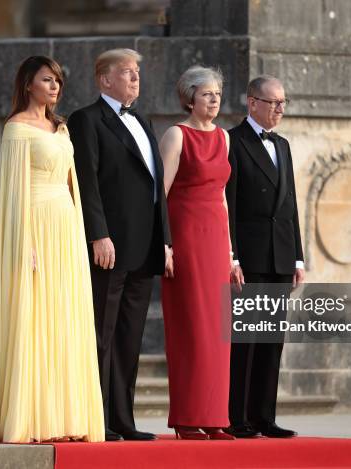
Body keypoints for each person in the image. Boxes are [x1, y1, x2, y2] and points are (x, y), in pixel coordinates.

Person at [0, 56, 104, 444]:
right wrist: (23, 242)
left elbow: (72, 186)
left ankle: (66, 416)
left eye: (58, 81)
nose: (54, 87)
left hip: (65, 228)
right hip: (35, 227)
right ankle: (30, 417)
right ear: (28, 83)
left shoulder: (61, 129)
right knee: (36, 318)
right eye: (47, 80)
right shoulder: (16, 129)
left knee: (65, 319)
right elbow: (13, 195)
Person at [67, 48, 172, 442]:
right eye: (127, 72)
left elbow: (155, 189)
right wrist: (98, 233)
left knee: (130, 337)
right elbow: (86, 180)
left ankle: (124, 420)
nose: (135, 79)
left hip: (145, 248)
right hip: (108, 246)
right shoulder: (86, 120)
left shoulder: (143, 120)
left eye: (138, 73)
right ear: (104, 79)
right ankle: (99, 420)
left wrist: (165, 241)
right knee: (102, 334)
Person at [225, 75, 304, 439]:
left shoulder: (283, 145)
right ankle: (237, 419)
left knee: (272, 341)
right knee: (245, 342)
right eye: (274, 102)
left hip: (281, 256)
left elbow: (290, 206)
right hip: (250, 257)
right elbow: (230, 205)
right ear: (252, 102)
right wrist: (233, 257)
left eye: (283, 102)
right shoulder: (234, 141)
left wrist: (298, 259)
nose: (280, 109)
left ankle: (264, 417)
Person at [159, 65, 235, 441]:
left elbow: (222, 196)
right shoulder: (177, 135)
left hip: (216, 241)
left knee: (218, 332)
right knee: (192, 328)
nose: (214, 100)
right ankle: (188, 418)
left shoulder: (224, 138)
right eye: (206, 94)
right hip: (186, 239)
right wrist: (165, 244)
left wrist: (233, 255)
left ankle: (215, 416)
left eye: (217, 94)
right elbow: (161, 193)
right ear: (190, 97)